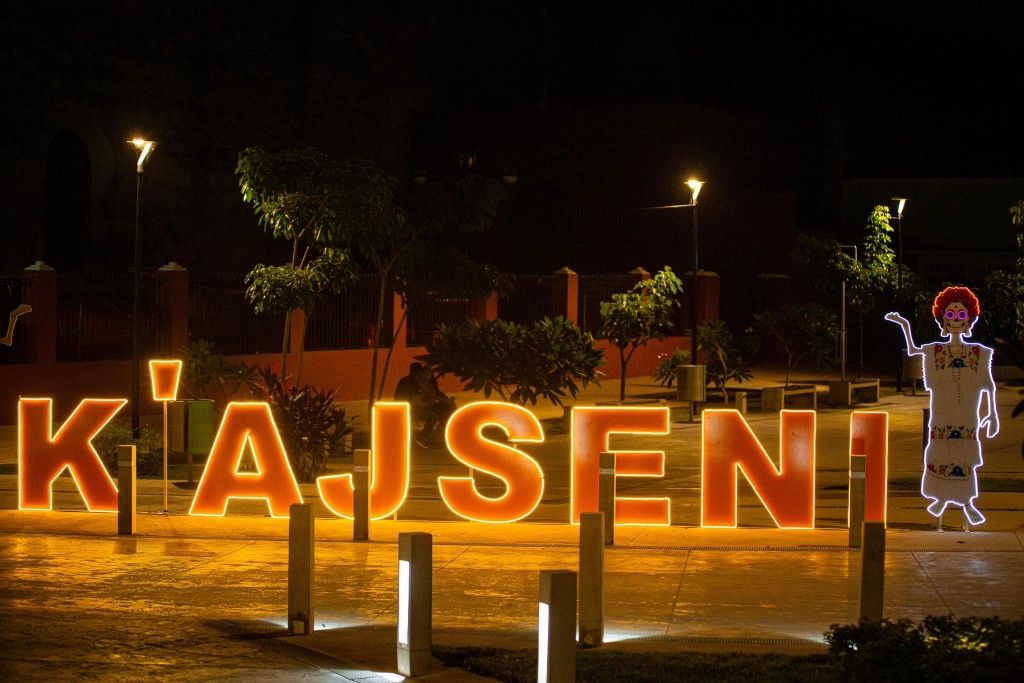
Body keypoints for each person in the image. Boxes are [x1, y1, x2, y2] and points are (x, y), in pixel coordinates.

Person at [885, 286, 999, 530]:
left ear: (968, 320)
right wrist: (904, 325)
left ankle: (967, 503)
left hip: (967, 414)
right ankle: (942, 499)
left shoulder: (978, 354)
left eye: (960, 316)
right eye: (950, 315)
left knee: (964, 459)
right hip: (943, 413)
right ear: (943, 321)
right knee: (941, 455)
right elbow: (914, 350)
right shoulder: (936, 351)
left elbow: (988, 384)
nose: (956, 320)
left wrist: (992, 413)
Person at [394, 362, 455, 448]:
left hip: (402, 408)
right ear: (418, 372)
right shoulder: (413, 382)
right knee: (433, 416)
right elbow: (416, 402)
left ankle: (440, 435)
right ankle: (422, 438)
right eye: (422, 372)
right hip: (408, 410)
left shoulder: (404, 380)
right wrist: (429, 404)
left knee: (441, 410)